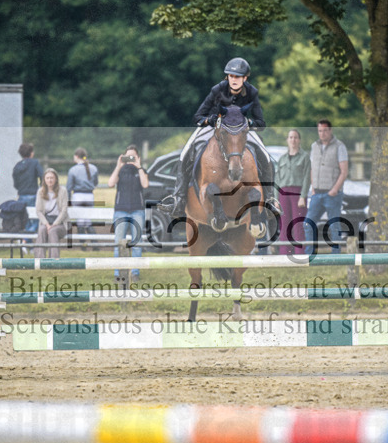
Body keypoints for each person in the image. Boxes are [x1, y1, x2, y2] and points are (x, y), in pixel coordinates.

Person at [158, 57, 279, 218]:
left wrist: (248, 123)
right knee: (185, 152)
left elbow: (261, 123)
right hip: (215, 128)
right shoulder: (217, 90)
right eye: (231, 76)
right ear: (227, 77)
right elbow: (198, 116)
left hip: (240, 130)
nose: (234, 80)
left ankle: (270, 199)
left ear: (245, 78)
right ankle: (178, 199)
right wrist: (210, 120)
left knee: (265, 155)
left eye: (238, 77)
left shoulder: (252, 92)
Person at [303, 119, 349, 255]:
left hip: (332, 194)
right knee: (308, 223)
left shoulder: (340, 146)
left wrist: (335, 189)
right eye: (320, 131)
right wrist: (312, 186)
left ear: (330, 130)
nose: (322, 133)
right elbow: (312, 168)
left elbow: (344, 171)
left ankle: (336, 254)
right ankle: (309, 254)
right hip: (317, 193)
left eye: (324, 130)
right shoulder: (314, 146)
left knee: (334, 225)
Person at [108, 145, 149, 279]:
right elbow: (110, 183)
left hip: (137, 210)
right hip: (121, 211)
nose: (130, 159)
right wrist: (118, 165)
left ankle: (135, 272)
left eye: (133, 156)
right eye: (128, 156)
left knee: (136, 243)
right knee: (119, 243)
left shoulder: (141, 170)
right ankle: (118, 272)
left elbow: (145, 185)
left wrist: (139, 166)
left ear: (138, 157)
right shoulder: (121, 170)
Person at [275, 129, 310, 255]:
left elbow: (307, 177)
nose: (293, 140)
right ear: (287, 140)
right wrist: (276, 199)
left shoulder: (305, 157)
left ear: (299, 140)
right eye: (290, 137)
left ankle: (299, 253)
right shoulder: (282, 159)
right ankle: (285, 253)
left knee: (298, 224)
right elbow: (277, 179)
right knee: (284, 223)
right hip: (283, 193)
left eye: (295, 137)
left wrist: (303, 196)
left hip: (298, 193)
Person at [34, 168, 69, 259]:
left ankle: (54, 260)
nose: (50, 180)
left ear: (56, 179)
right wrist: (47, 224)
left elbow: (64, 211)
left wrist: (54, 224)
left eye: (52, 178)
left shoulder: (63, 191)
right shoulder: (40, 192)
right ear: (44, 180)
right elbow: (39, 211)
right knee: (42, 230)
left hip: (60, 224)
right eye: (47, 178)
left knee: (53, 231)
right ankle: (39, 259)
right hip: (46, 222)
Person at [12, 142, 43, 232]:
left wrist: (20, 188)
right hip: (33, 195)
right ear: (31, 153)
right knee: (36, 219)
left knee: (25, 220)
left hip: (21, 196)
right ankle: (29, 236)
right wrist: (41, 188)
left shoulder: (17, 166)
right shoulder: (35, 163)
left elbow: (15, 183)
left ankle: (27, 242)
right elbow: (42, 176)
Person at [67, 147, 98, 230]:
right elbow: (95, 183)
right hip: (89, 195)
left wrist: (68, 200)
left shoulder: (73, 170)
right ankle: (93, 241)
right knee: (88, 221)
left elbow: (69, 187)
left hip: (78, 196)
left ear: (76, 156)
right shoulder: (94, 168)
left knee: (80, 221)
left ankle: (82, 241)